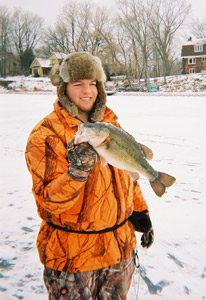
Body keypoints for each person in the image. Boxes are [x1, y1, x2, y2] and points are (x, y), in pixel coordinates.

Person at [25, 52, 154, 300]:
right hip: (73, 257)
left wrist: (141, 212)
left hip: (119, 251)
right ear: (64, 88)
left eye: (93, 83)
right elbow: (49, 202)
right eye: (78, 84)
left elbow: (127, 173)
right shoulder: (46, 134)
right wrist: (77, 172)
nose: (88, 91)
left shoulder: (110, 123)